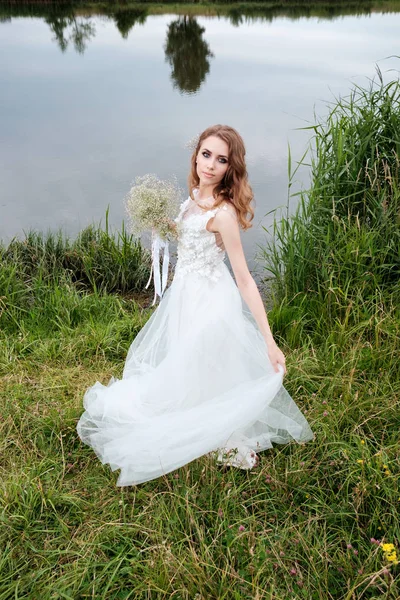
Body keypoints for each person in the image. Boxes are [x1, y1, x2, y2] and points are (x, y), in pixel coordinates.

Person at [76, 124, 314, 486]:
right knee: (189, 364)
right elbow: (188, 234)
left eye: (221, 160)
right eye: (206, 155)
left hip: (211, 301)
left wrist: (269, 340)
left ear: (231, 167)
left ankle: (224, 433)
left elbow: (245, 279)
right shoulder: (193, 199)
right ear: (196, 155)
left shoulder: (223, 215)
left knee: (208, 359)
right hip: (184, 296)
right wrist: (165, 224)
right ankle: (197, 414)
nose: (211, 165)